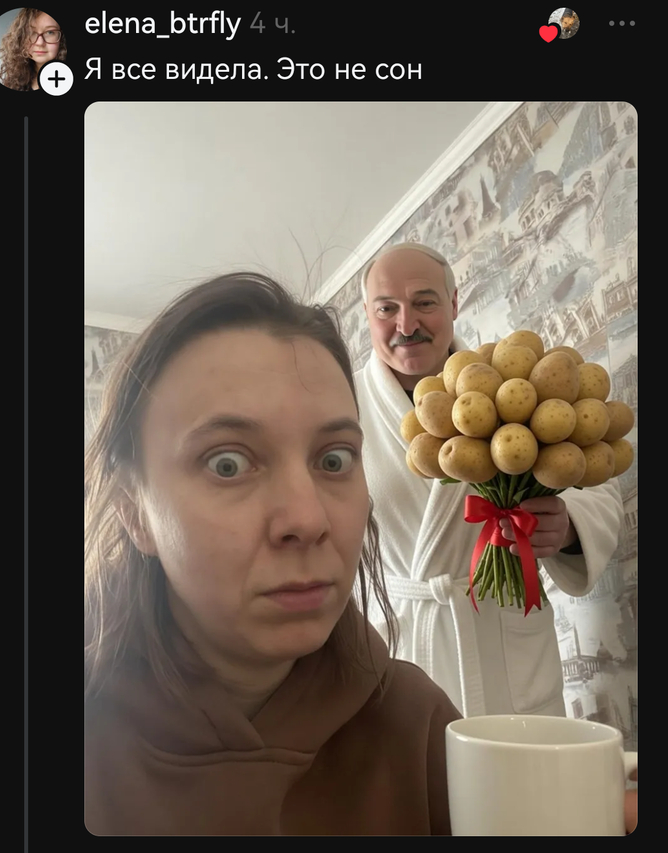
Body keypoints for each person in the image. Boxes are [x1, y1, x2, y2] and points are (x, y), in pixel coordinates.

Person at [85, 273, 463, 835]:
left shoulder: (418, 724)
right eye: (228, 464)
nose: (308, 521)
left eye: (334, 459)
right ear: (133, 512)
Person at [355, 242, 625, 719]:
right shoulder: (342, 407)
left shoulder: (514, 378)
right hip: (403, 645)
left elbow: (594, 471)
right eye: (386, 308)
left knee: (524, 761)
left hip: (505, 640)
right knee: (415, 759)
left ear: (453, 303)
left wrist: (566, 528)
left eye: (423, 302)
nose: (406, 324)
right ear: (367, 315)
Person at [0, 9, 66, 91]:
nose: (40, 43)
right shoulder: (16, 79)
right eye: (31, 32)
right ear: (21, 38)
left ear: (62, 38)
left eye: (50, 32)